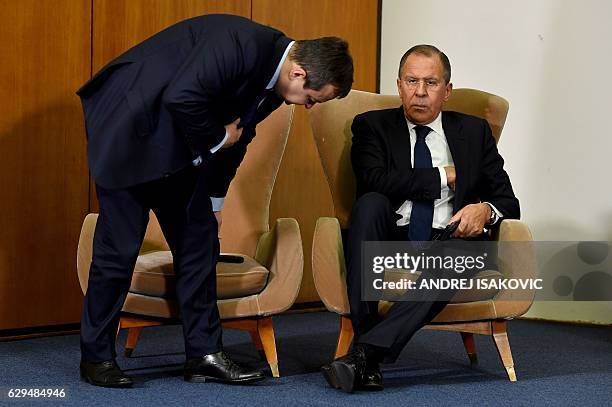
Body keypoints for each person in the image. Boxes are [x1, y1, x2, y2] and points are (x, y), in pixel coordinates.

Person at [77, 13, 353, 388]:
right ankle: (96, 359)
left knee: (199, 239)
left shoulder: (278, 86)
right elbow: (183, 98)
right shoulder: (239, 43)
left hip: (177, 148)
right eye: (311, 100)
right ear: (300, 74)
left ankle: (203, 355)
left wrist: (215, 201)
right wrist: (218, 137)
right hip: (128, 132)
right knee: (119, 250)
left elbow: (239, 137)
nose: (306, 107)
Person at [321, 44, 518, 393]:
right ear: (399, 86)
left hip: (451, 241)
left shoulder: (474, 132)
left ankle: (364, 355)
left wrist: (485, 209)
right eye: (412, 81)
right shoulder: (372, 126)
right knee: (369, 204)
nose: (420, 93)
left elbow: (508, 201)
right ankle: (369, 350)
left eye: (431, 82)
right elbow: (374, 180)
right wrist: (445, 176)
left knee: (457, 256)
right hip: (392, 237)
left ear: (447, 90)